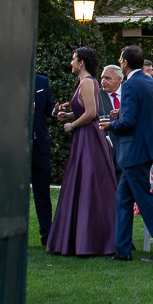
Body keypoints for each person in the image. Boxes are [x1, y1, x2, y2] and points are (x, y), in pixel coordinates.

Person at [101, 44, 153, 262]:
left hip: (133, 150)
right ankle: (122, 250)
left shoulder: (131, 84)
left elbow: (129, 122)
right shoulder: (150, 81)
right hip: (145, 148)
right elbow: (145, 115)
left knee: (144, 199)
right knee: (123, 199)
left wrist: (110, 124)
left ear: (124, 62)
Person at [46, 47, 118, 256]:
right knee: (82, 184)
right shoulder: (85, 83)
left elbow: (92, 113)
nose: (71, 63)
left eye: (73, 59)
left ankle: (90, 240)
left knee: (88, 184)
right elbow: (85, 110)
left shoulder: (87, 82)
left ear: (82, 63)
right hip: (85, 138)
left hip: (88, 138)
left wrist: (72, 125)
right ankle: (82, 237)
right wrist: (68, 115)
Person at [31, 71, 57, 247]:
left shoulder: (42, 81)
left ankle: (47, 236)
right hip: (13, 149)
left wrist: (56, 111)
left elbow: (49, 108)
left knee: (43, 194)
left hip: (39, 146)